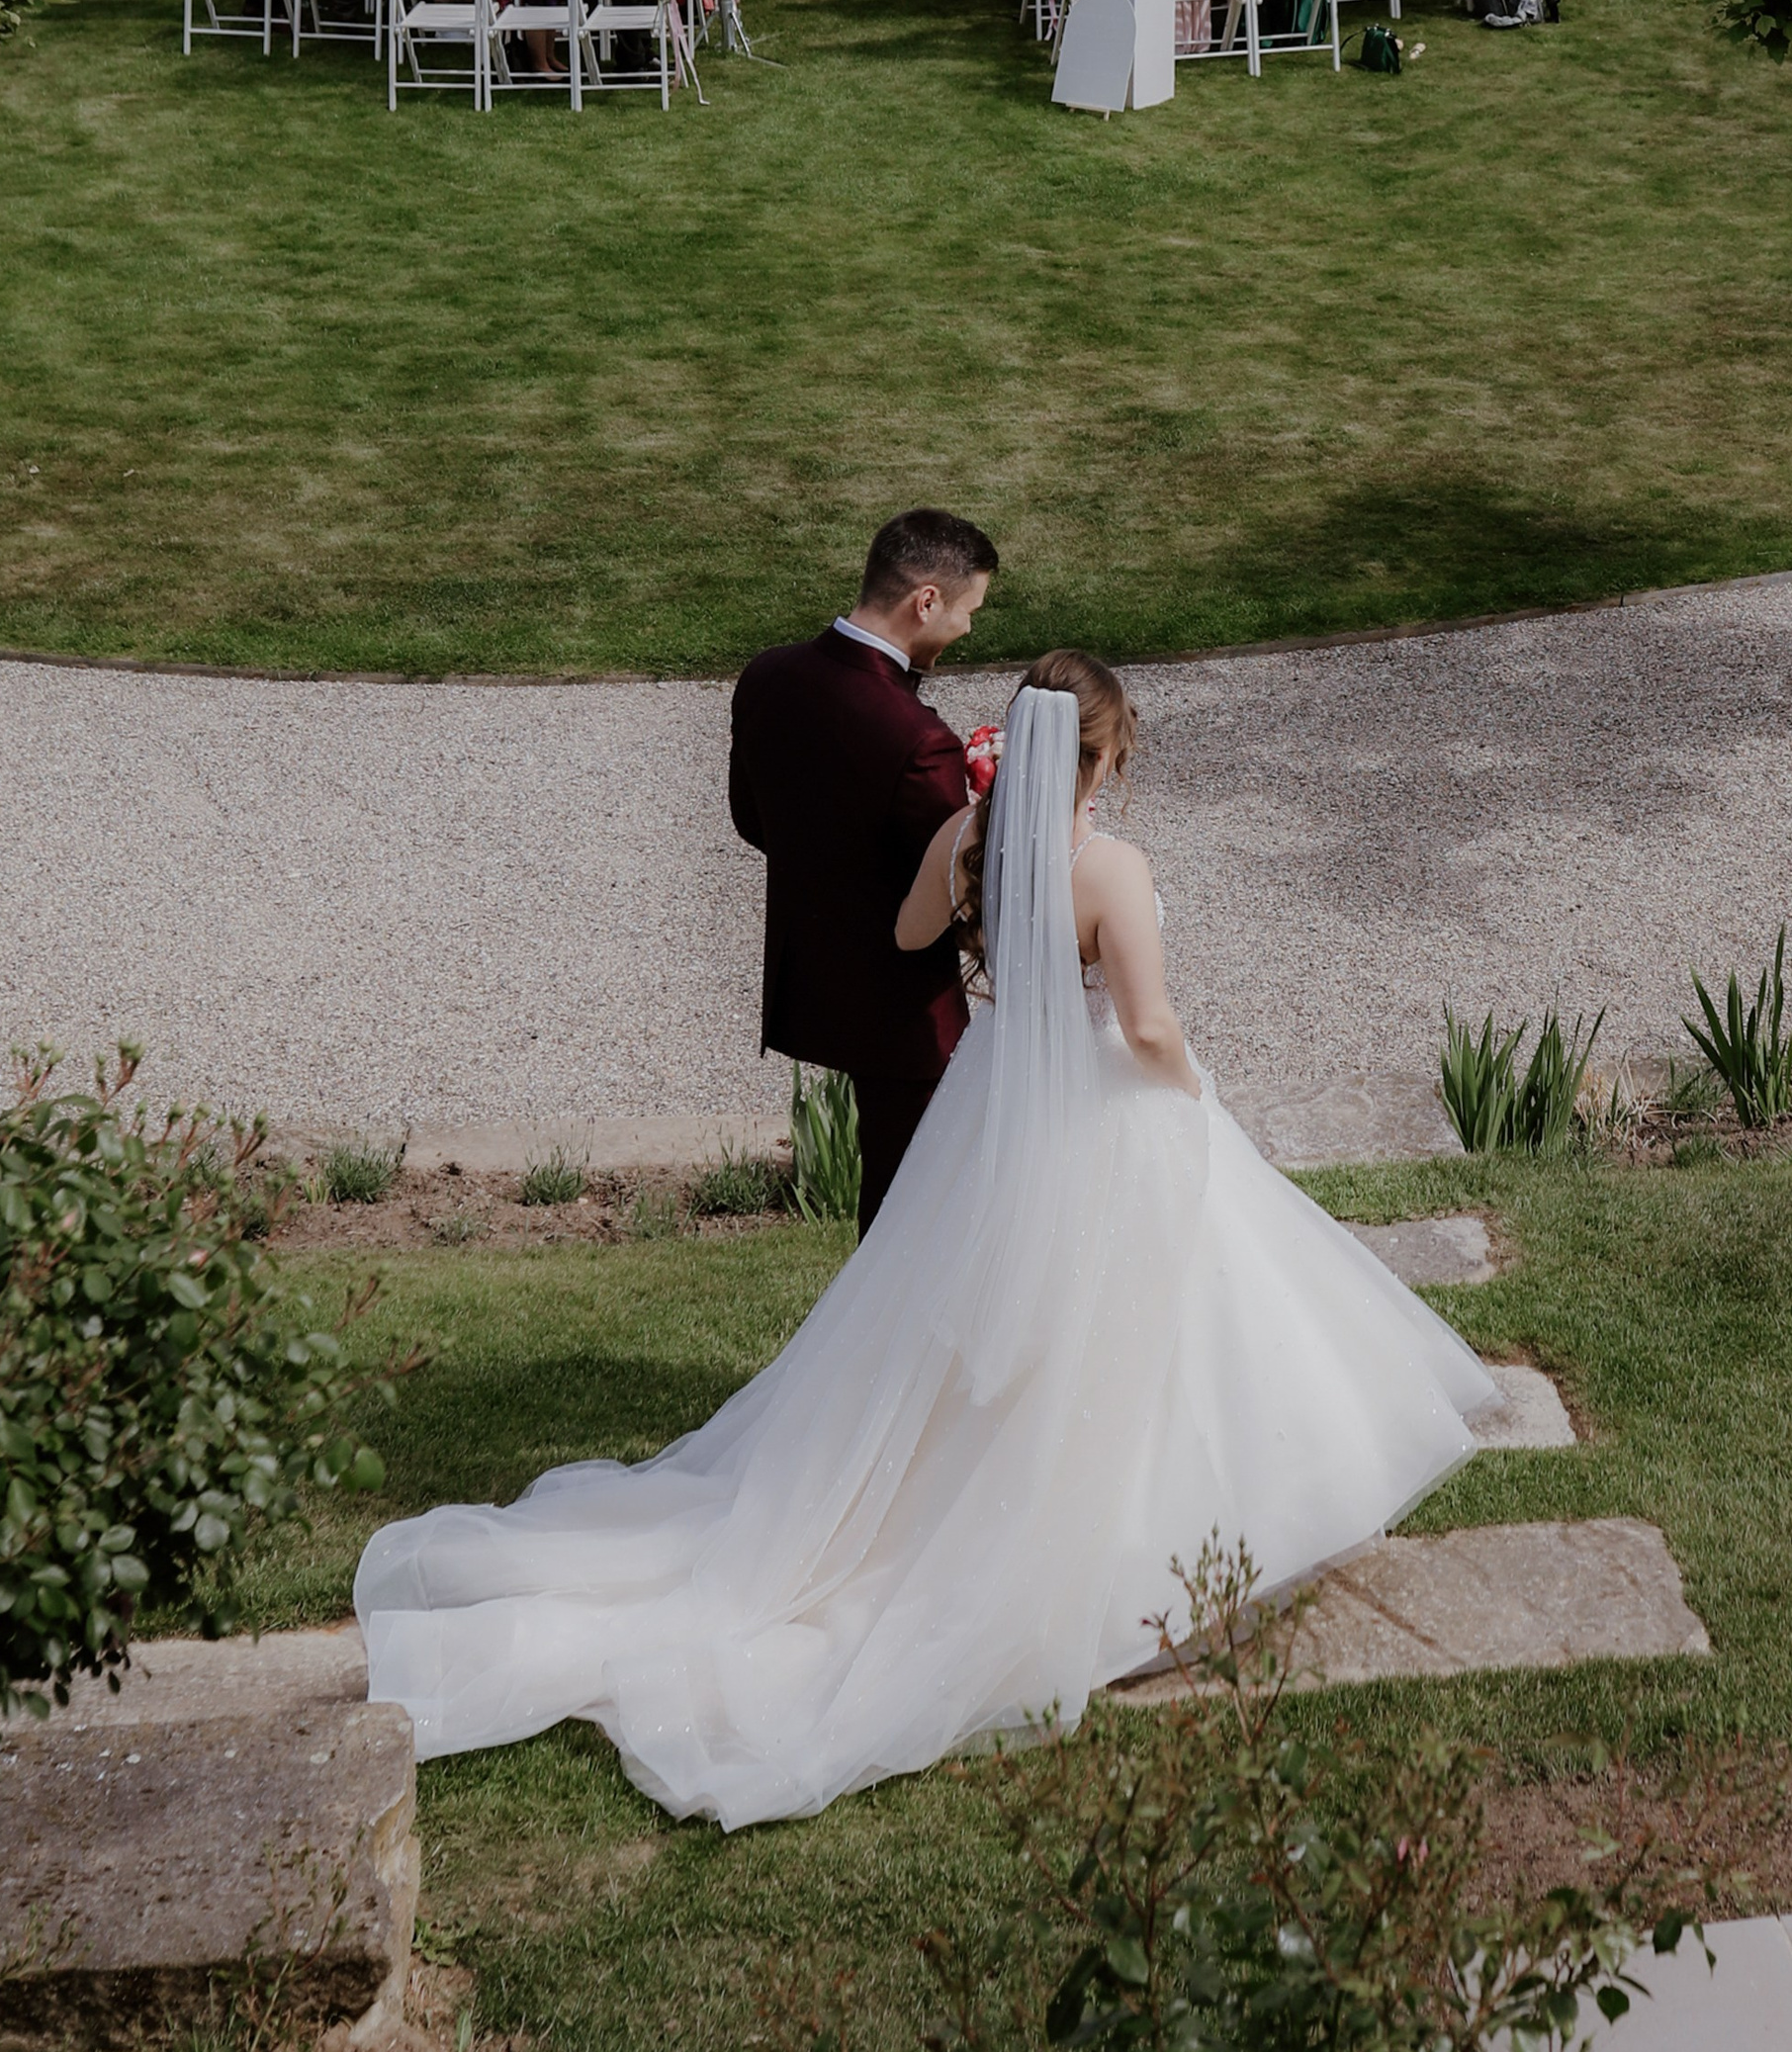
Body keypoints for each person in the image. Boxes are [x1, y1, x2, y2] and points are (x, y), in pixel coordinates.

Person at [354, 649, 1495, 1829]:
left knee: (981, 1309)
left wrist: (974, 876)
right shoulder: (1107, 864)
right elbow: (1147, 1023)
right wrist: (1189, 1081)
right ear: (1099, 757)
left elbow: (910, 937)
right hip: (1103, 1103)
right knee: (1146, 1307)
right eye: (1121, 756)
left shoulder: (966, 840)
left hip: (996, 1097)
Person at [728, 507, 999, 1229]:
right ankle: (889, 1342)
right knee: (917, 1205)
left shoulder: (767, 675)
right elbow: (961, 883)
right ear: (926, 601)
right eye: (969, 608)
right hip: (904, 1006)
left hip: (812, 978)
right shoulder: (917, 739)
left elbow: (753, 820)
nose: (969, 628)